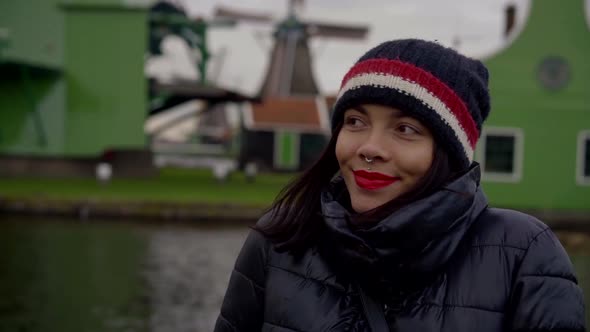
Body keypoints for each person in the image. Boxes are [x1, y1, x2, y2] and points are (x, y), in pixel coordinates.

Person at [214, 39, 586, 332]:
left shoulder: (522, 254)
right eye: (355, 121)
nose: (369, 148)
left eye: (405, 129)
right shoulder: (280, 240)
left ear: (447, 153)